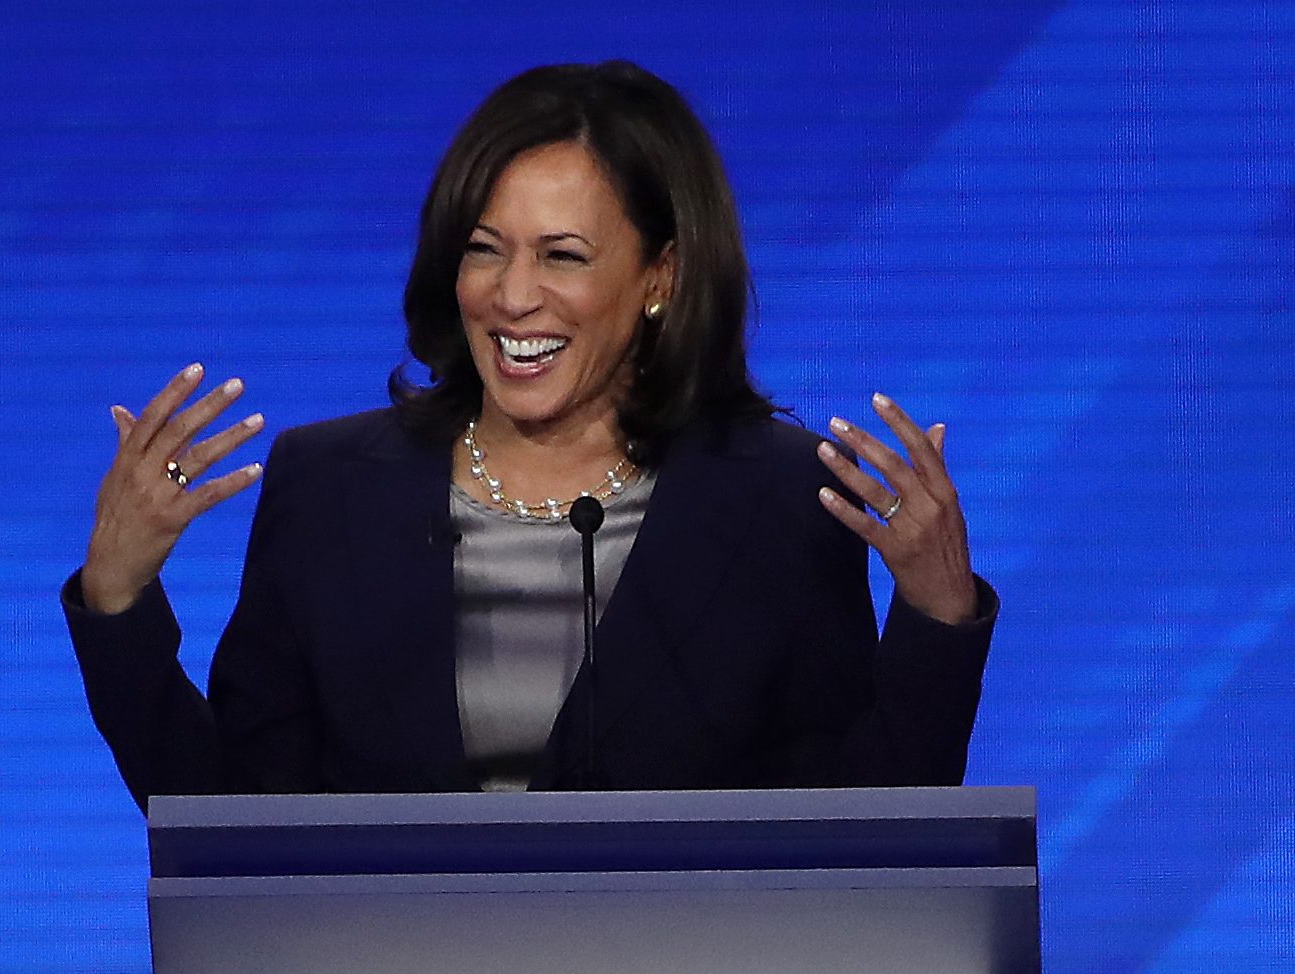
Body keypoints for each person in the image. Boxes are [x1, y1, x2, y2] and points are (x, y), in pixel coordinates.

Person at [63, 61, 996, 813]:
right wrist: (118, 598)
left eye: (563, 256)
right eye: (483, 247)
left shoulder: (780, 501)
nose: (512, 297)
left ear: (660, 276)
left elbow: (863, 846)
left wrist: (936, 614)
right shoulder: (329, 487)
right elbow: (236, 836)